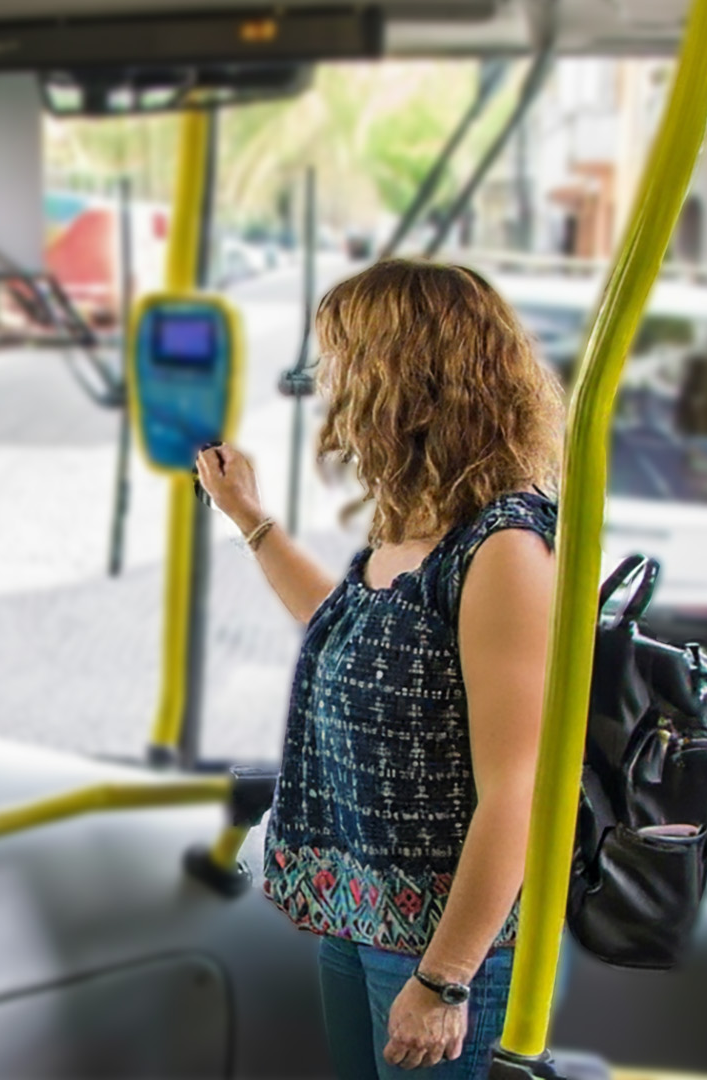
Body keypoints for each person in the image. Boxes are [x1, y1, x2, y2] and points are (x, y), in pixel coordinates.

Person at [195, 259, 563, 1079]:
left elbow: (520, 785)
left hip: (442, 944)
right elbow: (348, 628)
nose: (331, 384)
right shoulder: (417, 519)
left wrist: (444, 979)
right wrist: (250, 521)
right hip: (363, 917)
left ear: (408, 378)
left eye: (346, 360)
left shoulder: (503, 545)